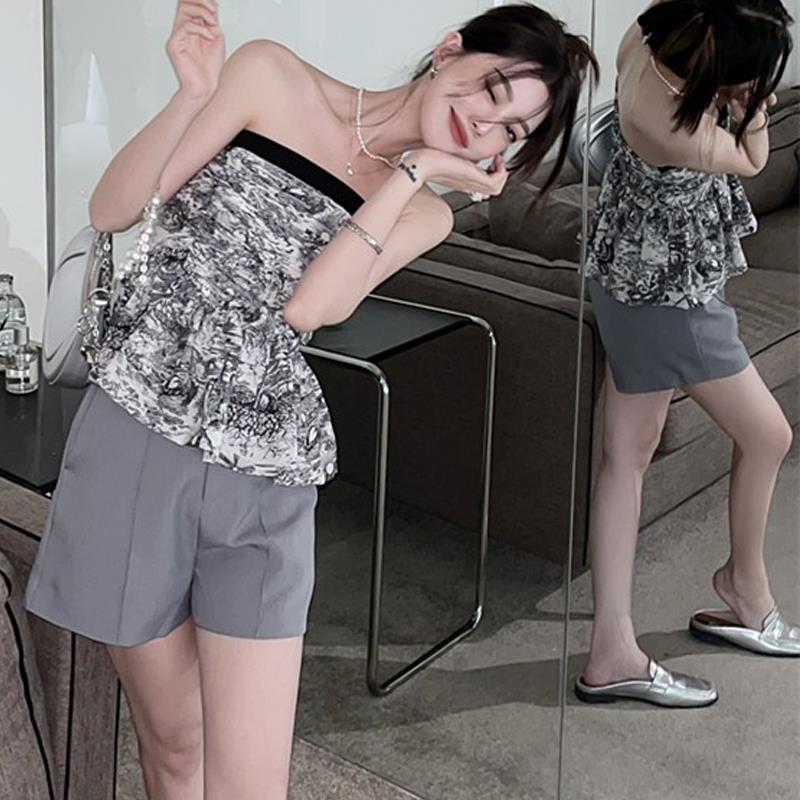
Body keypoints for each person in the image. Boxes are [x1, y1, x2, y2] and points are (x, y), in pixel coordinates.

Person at [24, 1, 596, 796]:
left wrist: (413, 173)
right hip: (139, 434)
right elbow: (112, 210)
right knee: (175, 747)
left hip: (266, 473)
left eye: (511, 130)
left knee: (253, 782)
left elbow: (309, 308)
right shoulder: (271, 76)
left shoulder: (423, 210)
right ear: (449, 50)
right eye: (490, 90)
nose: (483, 126)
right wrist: (193, 94)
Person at [576, 0, 797, 709]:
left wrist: (733, 86)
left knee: (625, 456)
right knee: (769, 436)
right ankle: (744, 590)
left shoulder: (646, 41)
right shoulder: (669, 125)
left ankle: (612, 648)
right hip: (672, 303)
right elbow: (754, 158)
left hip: (633, 279)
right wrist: (749, 108)